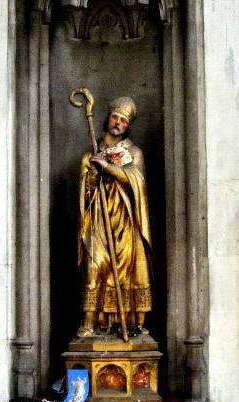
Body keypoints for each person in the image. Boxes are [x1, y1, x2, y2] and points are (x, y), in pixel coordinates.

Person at [76, 96, 153, 339]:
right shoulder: (90, 154)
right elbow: (85, 195)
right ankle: (89, 324)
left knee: (133, 272)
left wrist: (109, 168)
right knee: (94, 267)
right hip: (99, 219)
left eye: (123, 120)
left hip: (126, 223)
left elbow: (137, 182)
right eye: (115, 117)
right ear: (108, 118)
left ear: (128, 126)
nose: (118, 123)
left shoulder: (135, 153)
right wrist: (92, 175)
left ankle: (133, 324)